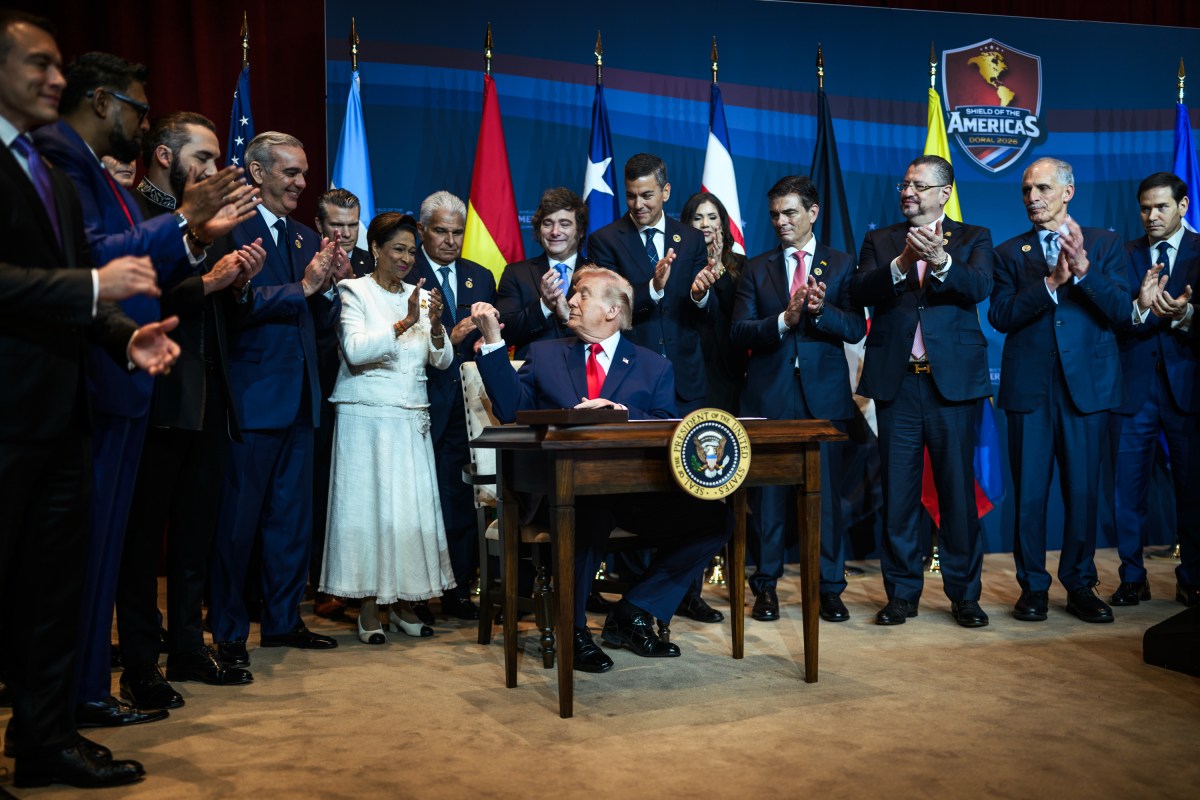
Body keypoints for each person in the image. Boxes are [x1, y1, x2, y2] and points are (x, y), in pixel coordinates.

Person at [34, 50, 257, 727]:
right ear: (103, 103)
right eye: (135, 106)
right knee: (105, 555)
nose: (139, 120)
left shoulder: (121, 190)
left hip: (160, 381)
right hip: (110, 384)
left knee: (149, 547)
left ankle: (92, 696)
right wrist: (189, 232)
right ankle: (88, 693)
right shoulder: (67, 164)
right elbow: (104, 264)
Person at [0, 9, 179, 787]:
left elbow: (78, 282)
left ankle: (43, 743)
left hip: (63, 406)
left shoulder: (45, 169)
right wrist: (93, 288)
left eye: (59, 66)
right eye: (38, 63)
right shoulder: (37, 161)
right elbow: (74, 278)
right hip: (8, 408)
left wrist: (120, 336)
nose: (55, 78)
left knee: (51, 587)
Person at [471, 267, 728, 674]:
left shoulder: (653, 366)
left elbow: (666, 424)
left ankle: (634, 610)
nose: (571, 301)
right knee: (586, 506)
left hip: (634, 494)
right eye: (573, 295)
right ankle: (571, 629)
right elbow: (508, 409)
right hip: (559, 491)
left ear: (612, 309)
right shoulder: (546, 354)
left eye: (582, 294)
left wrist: (622, 413)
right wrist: (494, 342)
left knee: (715, 516)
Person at [117, 112, 263, 709]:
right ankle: (140, 663)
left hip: (208, 396)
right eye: (200, 158)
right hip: (155, 397)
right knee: (143, 538)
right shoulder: (142, 214)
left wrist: (243, 281)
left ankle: (185, 647)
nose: (211, 169)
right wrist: (208, 282)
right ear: (162, 157)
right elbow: (136, 294)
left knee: (196, 536)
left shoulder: (213, 219)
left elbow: (231, 309)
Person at [208, 131, 345, 669]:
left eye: (305, 173)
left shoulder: (305, 238)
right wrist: (306, 289)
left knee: (291, 522)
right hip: (251, 399)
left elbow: (320, 326)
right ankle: (228, 633)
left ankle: (285, 621)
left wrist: (330, 289)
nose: (302, 183)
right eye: (291, 172)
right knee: (238, 525)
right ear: (257, 173)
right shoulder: (227, 228)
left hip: (300, 401)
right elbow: (232, 307)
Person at [851, 154, 994, 628]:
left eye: (918, 185)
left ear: (943, 193)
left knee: (957, 494)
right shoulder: (881, 239)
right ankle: (902, 594)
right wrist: (901, 264)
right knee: (898, 496)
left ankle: (964, 595)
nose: (907, 191)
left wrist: (941, 260)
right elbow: (859, 291)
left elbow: (978, 286)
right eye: (904, 184)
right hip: (897, 386)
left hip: (950, 386)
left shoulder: (973, 236)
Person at [989, 157, 1129, 624]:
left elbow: (1123, 313)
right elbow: (1001, 316)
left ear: (1068, 192)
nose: (1033, 198)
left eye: (1043, 189)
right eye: (1027, 190)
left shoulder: (1107, 244)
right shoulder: (1010, 252)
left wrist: (1085, 271)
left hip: (1086, 390)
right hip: (1029, 391)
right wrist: (1050, 284)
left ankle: (1081, 584)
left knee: (1083, 493)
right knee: (1029, 497)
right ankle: (1032, 588)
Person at [731, 176, 865, 624]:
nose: (781, 221)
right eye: (774, 214)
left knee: (826, 499)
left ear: (813, 212)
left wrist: (821, 312)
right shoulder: (756, 268)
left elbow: (855, 329)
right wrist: (784, 320)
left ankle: (829, 587)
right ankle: (765, 587)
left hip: (823, 399)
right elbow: (739, 331)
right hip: (769, 397)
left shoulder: (842, 264)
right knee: (767, 499)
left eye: (790, 212)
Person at [320, 213, 457, 643]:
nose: (405, 258)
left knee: (405, 514)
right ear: (375, 249)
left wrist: (434, 326)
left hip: (410, 415)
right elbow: (357, 351)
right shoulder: (353, 290)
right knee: (368, 512)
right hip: (366, 416)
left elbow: (442, 360)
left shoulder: (418, 294)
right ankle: (367, 606)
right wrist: (403, 322)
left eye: (411, 251)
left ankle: (402, 604)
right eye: (397, 249)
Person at [405, 190, 497, 622]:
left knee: (460, 502)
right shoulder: (405, 270)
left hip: (465, 409)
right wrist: (450, 337)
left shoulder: (480, 275)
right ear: (422, 230)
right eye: (440, 231)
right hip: (417, 403)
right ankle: (415, 595)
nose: (449, 239)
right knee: (419, 504)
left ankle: (459, 590)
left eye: (457, 232)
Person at [1110, 172, 1199, 608]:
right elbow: (1112, 322)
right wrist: (1140, 308)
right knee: (1128, 492)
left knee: (1193, 489)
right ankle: (1132, 577)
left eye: (1161, 207)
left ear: (1183, 206)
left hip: (1188, 391)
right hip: (1134, 391)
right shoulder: (1122, 254)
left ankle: (1192, 578)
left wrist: (1185, 316)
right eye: (1145, 208)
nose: (1151, 216)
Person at [587, 153, 711, 414]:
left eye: (646, 195)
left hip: (686, 379)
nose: (638, 204)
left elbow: (705, 312)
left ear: (665, 192)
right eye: (631, 196)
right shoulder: (605, 240)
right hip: (632, 375)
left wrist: (700, 295)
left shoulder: (691, 239)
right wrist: (653, 287)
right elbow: (609, 308)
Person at [311, 187, 372, 620]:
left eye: (353, 225)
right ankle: (317, 583)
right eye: (337, 225)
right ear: (320, 225)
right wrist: (332, 289)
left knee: (353, 493)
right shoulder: (302, 258)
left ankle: (352, 582)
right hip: (312, 385)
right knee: (317, 488)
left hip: (359, 390)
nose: (346, 233)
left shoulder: (369, 263)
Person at [497, 187, 585, 358]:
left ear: (580, 231)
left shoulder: (597, 273)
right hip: (532, 375)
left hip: (584, 371)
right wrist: (544, 305)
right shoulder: (516, 273)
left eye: (565, 224)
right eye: (547, 223)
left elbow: (607, 328)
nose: (555, 232)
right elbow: (505, 330)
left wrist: (569, 318)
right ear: (539, 229)